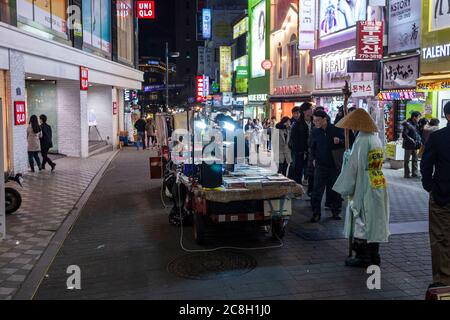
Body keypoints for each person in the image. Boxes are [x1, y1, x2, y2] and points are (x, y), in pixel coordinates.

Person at [333, 99, 389, 268]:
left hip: (364, 185)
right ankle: (374, 255)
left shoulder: (362, 140)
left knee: (362, 220)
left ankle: (363, 257)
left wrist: (345, 187)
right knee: (376, 220)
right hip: (377, 182)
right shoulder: (376, 139)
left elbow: (353, 167)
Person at [420, 102, 450, 288]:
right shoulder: (437, 136)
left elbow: (426, 163)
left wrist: (429, 185)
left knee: (440, 238)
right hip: (441, 194)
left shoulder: (438, 137)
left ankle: (443, 279)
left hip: (441, 195)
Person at [310, 110, 345, 222]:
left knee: (335, 190)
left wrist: (339, 140)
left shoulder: (336, 129)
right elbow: (312, 147)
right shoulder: (315, 132)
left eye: (318, 120)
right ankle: (316, 213)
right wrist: (313, 159)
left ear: (325, 119)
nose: (316, 123)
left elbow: (347, 142)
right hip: (320, 165)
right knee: (317, 191)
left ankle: (336, 211)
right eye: (314, 120)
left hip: (334, 165)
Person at [289, 102, 313, 185]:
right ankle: (297, 190)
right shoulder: (297, 124)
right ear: (304, 111)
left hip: (312, 152)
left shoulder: (315, 122)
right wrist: (300, 151)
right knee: (298, 171)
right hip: (300, 152)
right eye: (310, 109)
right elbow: (294, 139)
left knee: (311, 172)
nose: (312, 110)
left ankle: (310, 192)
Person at [402, 111, 422, 178]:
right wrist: (412, 140)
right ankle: (406, 174)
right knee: (407, 160)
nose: (419, 118)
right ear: (414, 117)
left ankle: (415, 173)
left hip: (415, 145)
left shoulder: (416, 124)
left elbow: (417, 133)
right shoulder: (408, 124)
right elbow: (404, 135)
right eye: (418, 117)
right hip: (408, 145)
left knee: (415, 159)